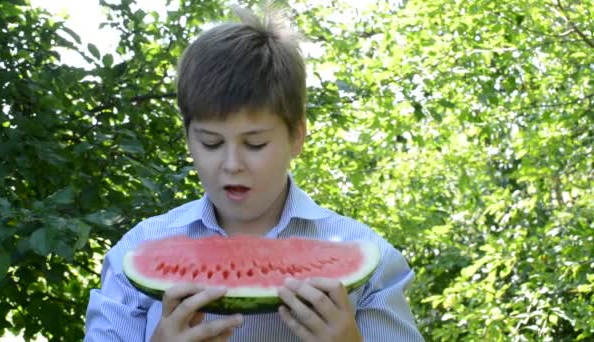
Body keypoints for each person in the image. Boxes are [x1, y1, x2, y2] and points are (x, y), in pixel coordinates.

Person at [84, 4, 423, 341]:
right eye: (211, 143)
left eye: (256, 144)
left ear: (297, 137)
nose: (231, 164)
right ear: (188, 139)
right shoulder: (137, 250)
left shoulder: (370, 259)